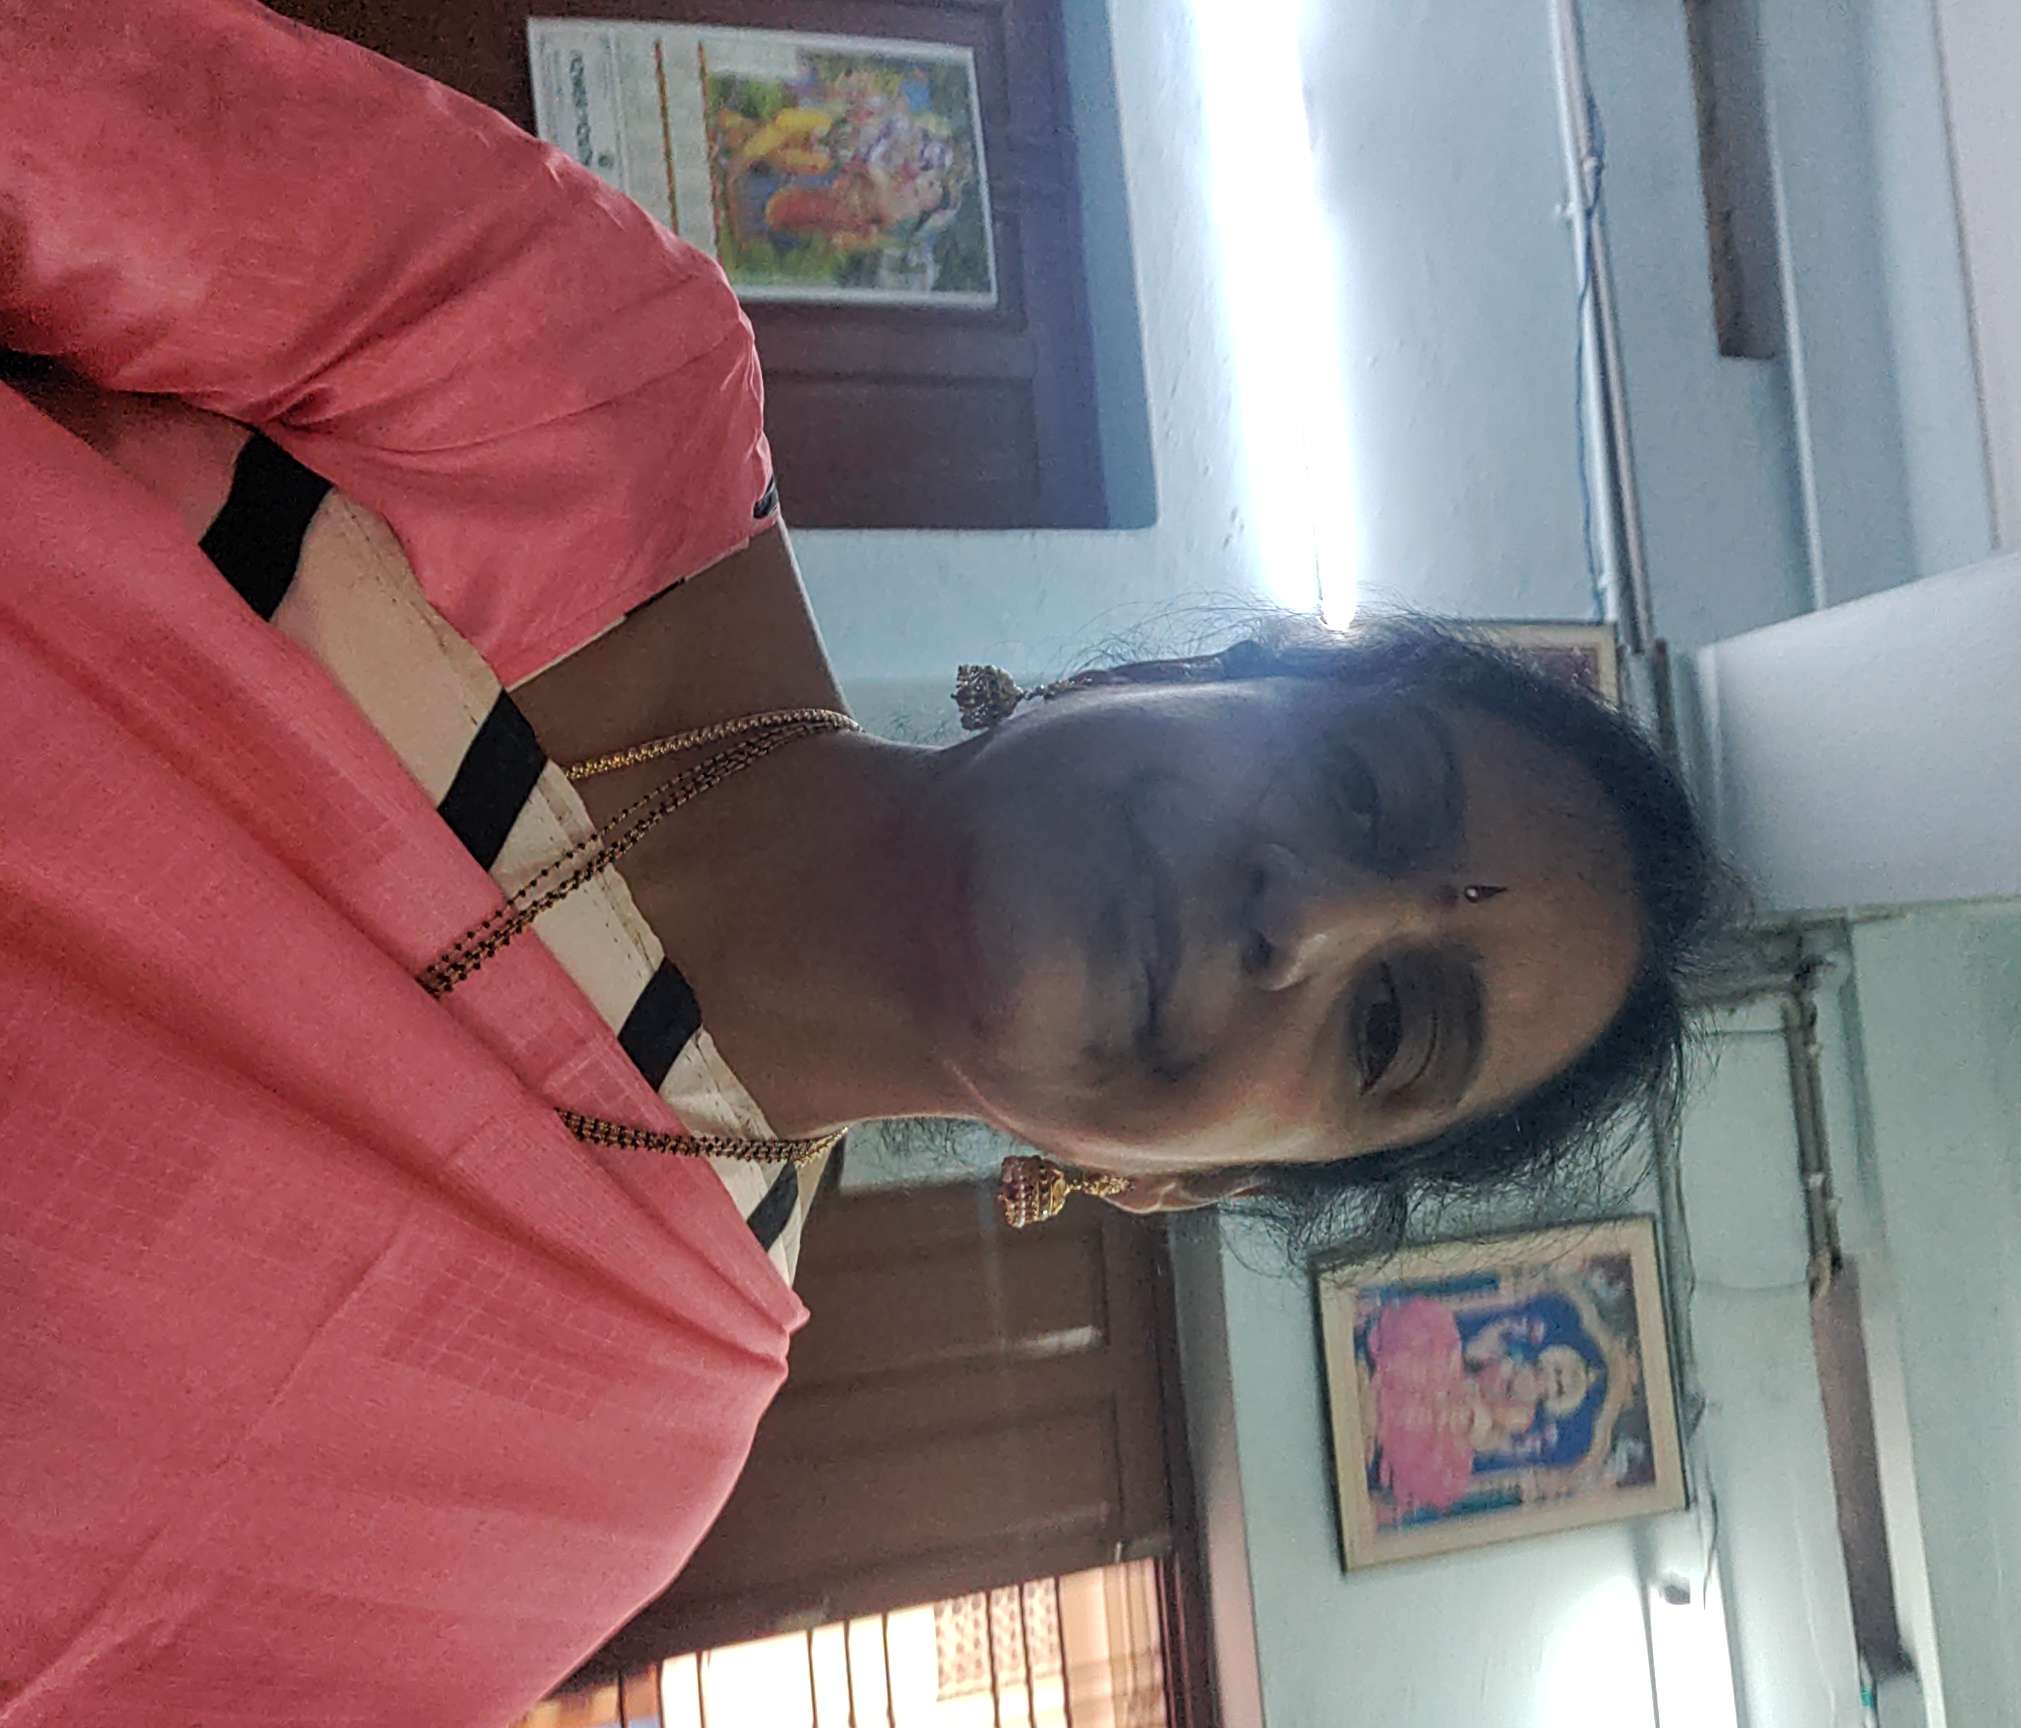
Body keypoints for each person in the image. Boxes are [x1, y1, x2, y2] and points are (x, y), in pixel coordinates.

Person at [0, 2, 1720, 1722]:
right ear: (1160, 674)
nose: (1310, 921)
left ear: (1194, 1186)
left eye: (1388, 1031)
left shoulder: (596, 1468)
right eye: (1358, 789)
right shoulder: (587, 375)